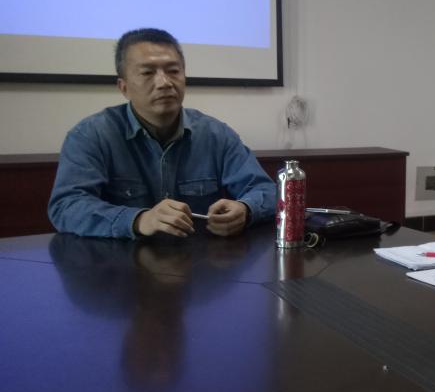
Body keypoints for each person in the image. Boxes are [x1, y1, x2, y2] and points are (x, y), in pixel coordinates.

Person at [48, 28, 276, 239]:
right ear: (123, 87)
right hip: (119, 264)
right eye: (147, 73)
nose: (164, 82)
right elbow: (66, 206)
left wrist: (246, 210)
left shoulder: (216, 135)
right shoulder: (91, 135)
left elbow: (267, 191)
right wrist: (138, 220)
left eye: (173, 71)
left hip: (201, 262)